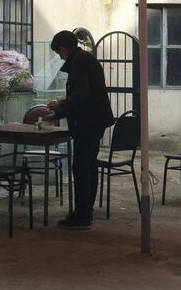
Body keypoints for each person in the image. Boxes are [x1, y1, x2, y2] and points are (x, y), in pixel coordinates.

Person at [45, 30, 115, 229]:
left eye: (59, 53)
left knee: (81, 167)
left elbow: (82, 93)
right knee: (89, 165)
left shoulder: (79, 61)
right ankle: (86, 209)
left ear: (63, 49)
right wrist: (58, 114)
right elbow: (82, 96)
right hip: (94, 121)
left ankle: (83, 215)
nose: (60, 57)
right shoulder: (85, 58)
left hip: (89, 122)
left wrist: (61, 106)